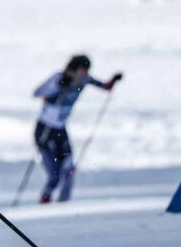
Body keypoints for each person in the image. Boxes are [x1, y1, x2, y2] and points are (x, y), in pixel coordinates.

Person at [32, 55, 122, 203]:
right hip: (45, 129)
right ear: (73, 69)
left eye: (86, 71)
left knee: (69, 169)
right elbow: (37, 93)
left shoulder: (84, 80)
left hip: (60, 130)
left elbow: (105, 86)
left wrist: (113, 81)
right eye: (82, 71)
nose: (84, 74)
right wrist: (57, 87)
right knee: (54, 174)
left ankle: (64, 203)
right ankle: (45, 200)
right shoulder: (59, 78)